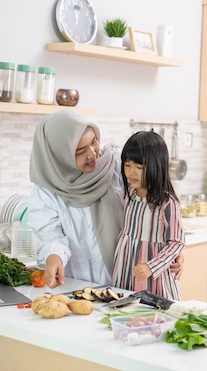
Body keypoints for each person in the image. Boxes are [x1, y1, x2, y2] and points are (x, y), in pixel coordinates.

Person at [26, 111, 183, 289]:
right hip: (81, 286)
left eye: (94, 142)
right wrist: (54, 257)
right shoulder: (46, 193)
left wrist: (169, 252)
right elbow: (51, 236)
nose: (92, 154)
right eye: (80, 151)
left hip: (131, 282)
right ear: (58, 155)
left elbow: (155, 207)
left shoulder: (116, 164)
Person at [112, 131, 185, 300]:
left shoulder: (167, 203)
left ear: (155, 166)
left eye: (139, 167)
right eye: (127, 165)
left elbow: (177, 242)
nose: (131, 173)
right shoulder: (130, 193)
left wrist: (151, 267)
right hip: (126, 266)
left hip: (154, 275)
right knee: (125, 307)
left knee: (156, 313)